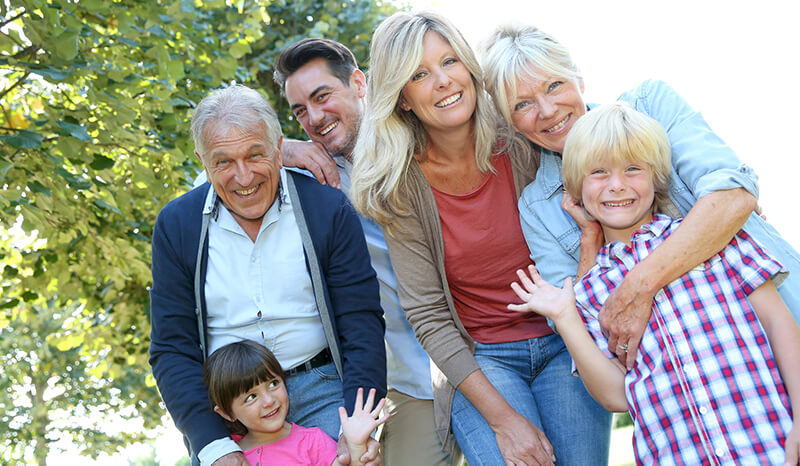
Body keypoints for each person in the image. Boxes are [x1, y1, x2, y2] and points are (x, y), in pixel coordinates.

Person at [350, 11, 612, 466]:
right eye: (419, 74)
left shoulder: (522, 137)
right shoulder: (402, 186)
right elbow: (428, 315)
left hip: (566, 339)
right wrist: (504, 421)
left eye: (450, 61)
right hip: (482, 358)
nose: (444, 81)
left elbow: (606, 146)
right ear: (403, 99)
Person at [480, 24, 800, 370]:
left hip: (778, 317)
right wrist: (591, 242)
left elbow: (734, 197)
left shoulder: (651, 106)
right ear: (509, 123)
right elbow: (580, 330)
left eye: (554, 85)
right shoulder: (538, 206)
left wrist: (640, 284)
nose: (546, 110)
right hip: (692, 373)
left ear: (578, 79)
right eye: (522, 104)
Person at [509, 102, 800, 464]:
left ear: (655, 176)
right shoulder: (589, 291)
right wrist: (566, 318)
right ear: (575, 191)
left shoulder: (710, 239)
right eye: (599, 172)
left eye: (633, 169)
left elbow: (778, 323)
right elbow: (617, 396)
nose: (617, 185)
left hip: (769, 446)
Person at [149, 84, 386, 466]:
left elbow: (361, 324)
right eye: (223, 162)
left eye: (255, 155)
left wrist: (357, 430)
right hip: (228, 410)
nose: (243, 177)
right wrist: (214, 446)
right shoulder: (177, 225)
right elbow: (171, 348)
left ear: (279, 149)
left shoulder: (326, 208)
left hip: (323, 389)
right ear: (203, 162)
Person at [273, 38, 455, 466]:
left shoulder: (417, 144)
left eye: (322, 97)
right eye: (300, 110)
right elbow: (215, 171)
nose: (314, 118)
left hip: (440, 370)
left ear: (358, 83)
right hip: (360, 386)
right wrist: (277, 149)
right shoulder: (309, 178)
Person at [203, 340, 389, 466]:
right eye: (251, 397)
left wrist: (356, 445)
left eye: (273, 384)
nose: (269, 401)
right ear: (227, 413)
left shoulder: (312, 442)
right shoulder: (230, 458)